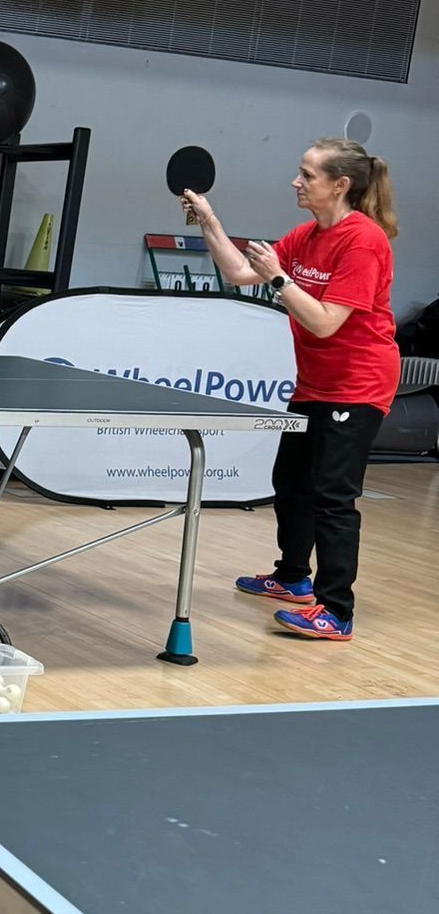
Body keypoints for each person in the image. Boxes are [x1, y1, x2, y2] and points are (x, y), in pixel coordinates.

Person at [184, 137, 399, 641]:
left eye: (308, 175)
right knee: (291, 480)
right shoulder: (307, 235)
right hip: (317, 382)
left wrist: (280, 280)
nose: (296, 182)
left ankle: (336, 611)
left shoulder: (363, 241)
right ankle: (292, 578)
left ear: (340, 185)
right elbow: (240, 271)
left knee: (332, 495)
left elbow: (325, 323)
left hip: (359, 382)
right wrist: (210, 221)